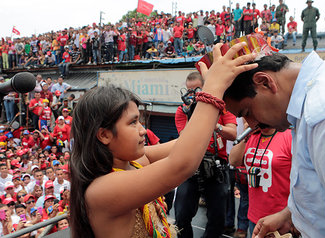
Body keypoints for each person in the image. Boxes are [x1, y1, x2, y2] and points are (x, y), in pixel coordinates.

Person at [68, 43, 257, 238]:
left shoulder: (135, 162)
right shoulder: (102, 189)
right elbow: (182, 164)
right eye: (133, 123)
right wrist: (212, 89)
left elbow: (184, 146)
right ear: (104, 135)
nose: (143, 130)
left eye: (140, 121)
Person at [219, 49, 325, 237]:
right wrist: (290, 215)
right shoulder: (317, 97)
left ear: (265, 82)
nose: (252, 124)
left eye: (247, 112)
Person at [174, 72, 237, 238]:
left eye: (196, 89)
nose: (192, 94)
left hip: (217, 167)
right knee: (181, 216)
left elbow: (232, 133)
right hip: (192, 166)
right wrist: (192, 116)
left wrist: (213, 124)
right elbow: (185, 138)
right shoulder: (182, 111)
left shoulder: (220, 107)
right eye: (189, 90)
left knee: (218, 218)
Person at [229, 124, 292, 236]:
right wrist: (246, 135)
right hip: (255, 216)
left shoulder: (288, 136)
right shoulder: (251, 137)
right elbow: (233, 161)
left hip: (280, 218)